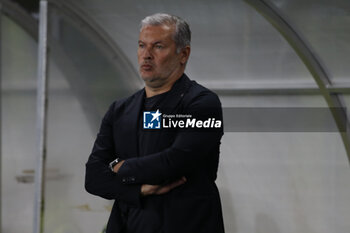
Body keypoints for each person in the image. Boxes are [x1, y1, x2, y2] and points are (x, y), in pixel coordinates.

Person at [85, 13, 225, 233]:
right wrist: (138, 189)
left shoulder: (203, 104)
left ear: (183, 54)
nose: (146, 55)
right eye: (142, 46)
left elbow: (176, 161)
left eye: (158, 46)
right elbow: (92, 177)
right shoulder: (120, 110)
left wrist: (120, 167)